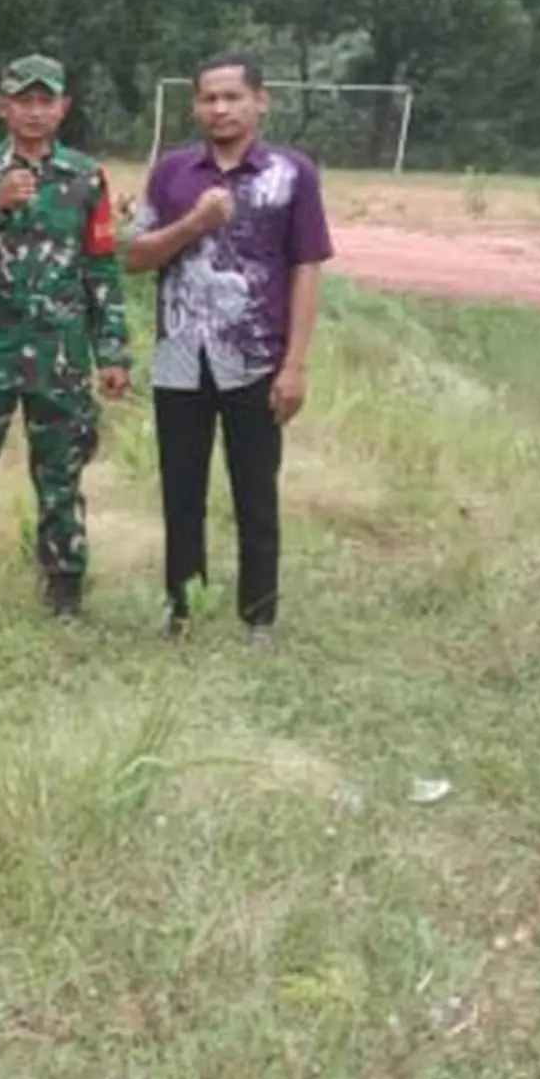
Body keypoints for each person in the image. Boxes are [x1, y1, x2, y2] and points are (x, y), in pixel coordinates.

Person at [124, 51, 334, 643]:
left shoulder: (291, 174)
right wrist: (193, 223)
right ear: (195, 105)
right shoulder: (172, 172)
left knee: (255, 490)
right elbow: (134, 256)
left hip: (257, 359)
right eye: (209, 98)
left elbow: (307, 267)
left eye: (232, 97)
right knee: (181, 489)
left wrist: (295, 363)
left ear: (260, 101)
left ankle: (259, 616)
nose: (220, 109)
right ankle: (181, 607)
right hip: (179, 359)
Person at [0, 53, 131, 625]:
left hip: (60, 350)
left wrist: (111, 348)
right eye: (24, 100)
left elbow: (101, 268)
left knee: (62, 473)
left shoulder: (85, 177)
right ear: (2, 106)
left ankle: (65, 591)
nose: (35, 112)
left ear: (63, 108)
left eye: (47, 101)